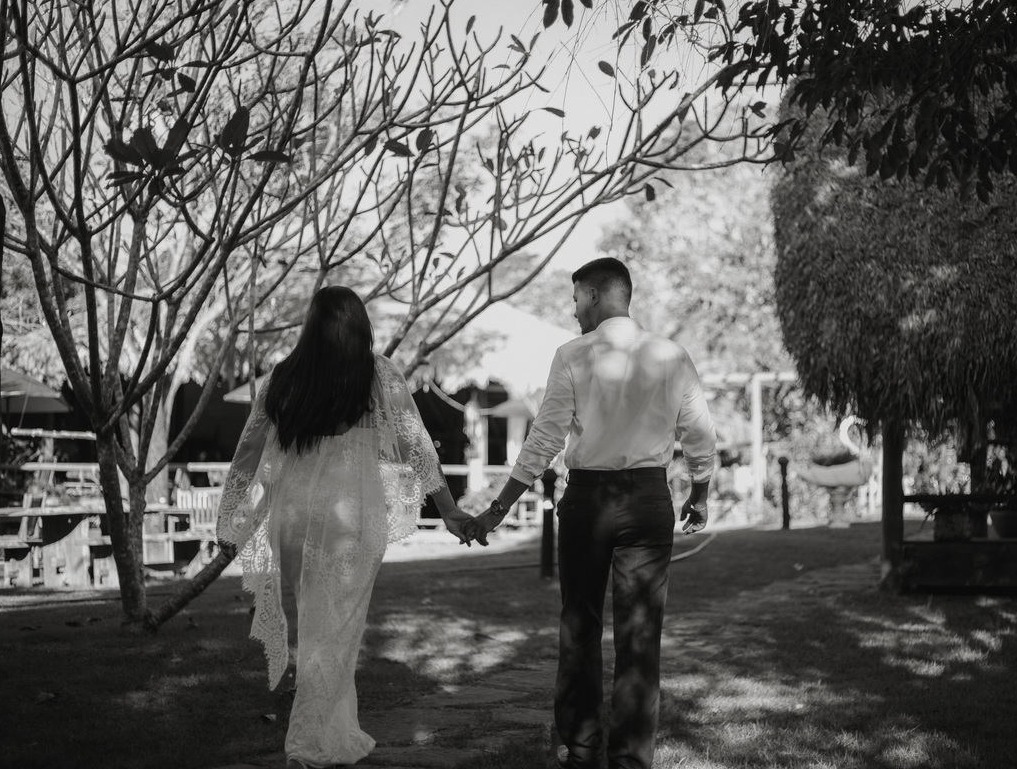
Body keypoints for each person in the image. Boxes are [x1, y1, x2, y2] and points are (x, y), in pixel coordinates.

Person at [468, 257, 717, 769]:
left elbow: (545, 438)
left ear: (597, 295)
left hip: (589, 502)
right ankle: (630, 760)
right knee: (640, 634)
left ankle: (582, 751)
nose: (574, 309)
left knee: (579, 626)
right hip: (648, 500)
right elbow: (699, 434)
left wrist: (499, 507)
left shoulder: (573, 354)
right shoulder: (673, 355)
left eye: (577, 297)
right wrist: (700, 494)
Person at [217, 286, 478, 769]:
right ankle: (305, 744)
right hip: (348, 513)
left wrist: (230, 519)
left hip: (292, 517)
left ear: (310, 327)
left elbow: (247, 452)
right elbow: (416, 443)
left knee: (320, 626)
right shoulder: (376, 372)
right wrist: (448, 509)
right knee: (333, 630)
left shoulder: (283, 377)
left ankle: (336, 733)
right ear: (361, 327)